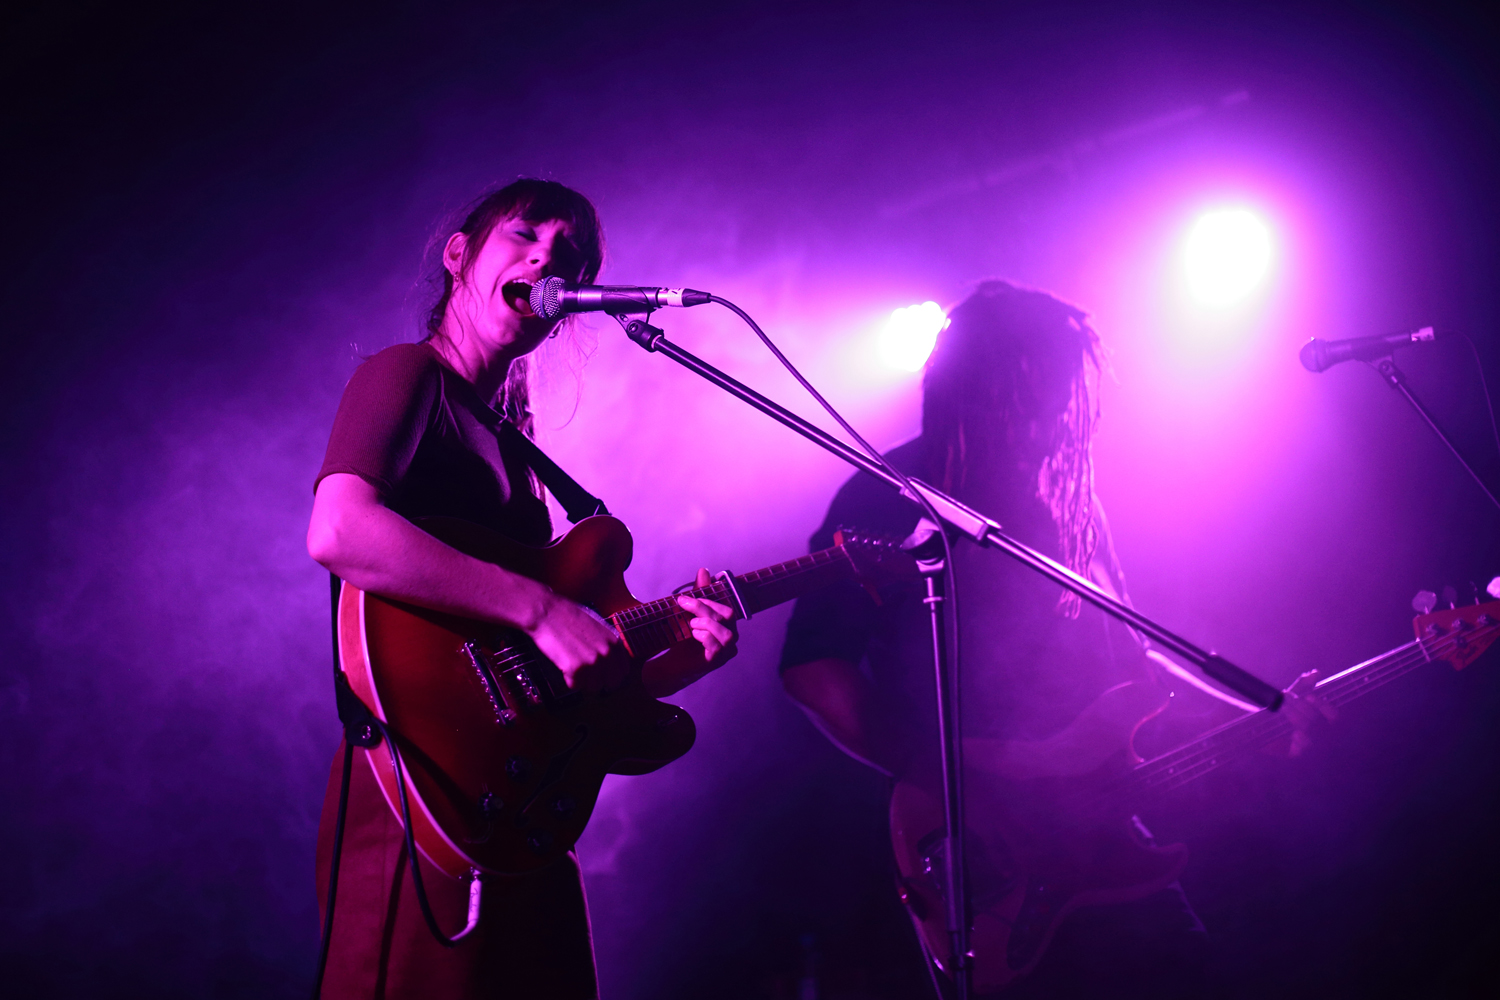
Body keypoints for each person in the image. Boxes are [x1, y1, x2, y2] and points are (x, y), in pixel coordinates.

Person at [778, 280, 1324, 998]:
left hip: (1101, 836)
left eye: (1061, 394)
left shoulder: (1067, 501)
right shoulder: (889, 493)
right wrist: (950, 779)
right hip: (985, 858)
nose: (1049, 417)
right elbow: (814, 666)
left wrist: (1255, 715)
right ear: (974, 385)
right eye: (1030, 392)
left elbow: (1133, 657)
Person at [305, 178, 738, 999]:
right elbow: (340, 530)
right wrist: (539, 608)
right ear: (458, 254)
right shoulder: (408, 374)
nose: (546, 259)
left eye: (568, 255)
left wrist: (679, 660)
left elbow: (544, 684)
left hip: (516, 803)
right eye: (525, 234)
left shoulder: (514, 439)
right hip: (416, 787)